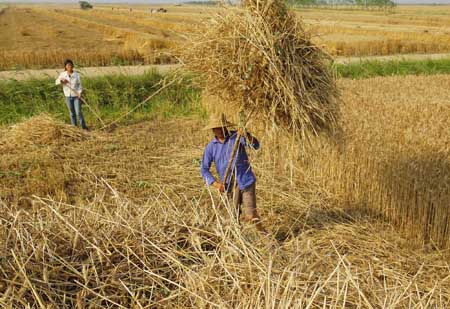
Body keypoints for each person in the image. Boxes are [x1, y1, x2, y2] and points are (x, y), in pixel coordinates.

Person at [200, 113, 266, 232]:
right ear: (213, 130)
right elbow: (204, 169)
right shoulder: (211, 147)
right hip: (228, 185)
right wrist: (216, 184)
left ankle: (265, 236)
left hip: (245, 181)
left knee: (252, 215)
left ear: (225, 127)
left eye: (221, 127)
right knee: (233, 218)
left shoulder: (237, 137)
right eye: (216, 128)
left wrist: (247, 135)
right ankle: (239, 241)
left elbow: (255, 145)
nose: (219, 130)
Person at [55, 59, 87, 130]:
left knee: (78, 112)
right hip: (68, 97)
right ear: (65, 67)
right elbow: (56, 82)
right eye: (68, 65)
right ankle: (74, 128)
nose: (69, 66)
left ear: (72, 66)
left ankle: (84, 127)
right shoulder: (63, 74)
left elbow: (79, 85)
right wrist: (61, 81)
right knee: (72, 113)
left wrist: (79, 92)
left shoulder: (76, 75)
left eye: (70, 65)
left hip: (76, 96)